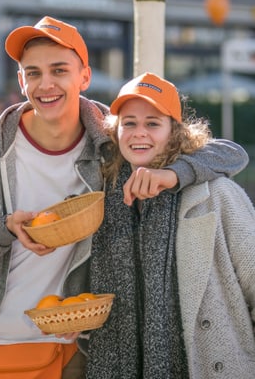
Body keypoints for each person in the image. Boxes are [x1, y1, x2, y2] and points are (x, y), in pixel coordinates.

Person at [0, 16, 249, 379]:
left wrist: (173, 173)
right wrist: (0, 230)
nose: (45, 84)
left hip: (76, 347)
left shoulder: (107, 140)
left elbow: (225, 152)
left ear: (84, 77)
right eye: (33, 72)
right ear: (20, 80)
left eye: (59, 70)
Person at [86, 72, 255, 379]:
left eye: (153, 123)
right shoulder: (104, 196)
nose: (140, 133)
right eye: (130, 123)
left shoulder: (215, 194)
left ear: (175, 132)